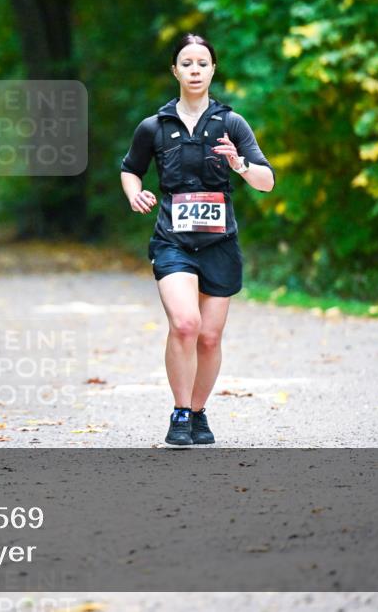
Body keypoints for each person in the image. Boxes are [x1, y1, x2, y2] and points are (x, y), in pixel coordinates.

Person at [119, 33, 276, 447]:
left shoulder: (231, 123)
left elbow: (267, 181)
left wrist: (238, 163)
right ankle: (180, 412)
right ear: (175, 70)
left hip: (219, 244)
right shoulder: (154, 126)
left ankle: (200, 412)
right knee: (185, 324)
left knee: (209, 337)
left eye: (202, 63)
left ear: (212, 70)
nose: (194, 70)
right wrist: (135, 192)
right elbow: (130, 168)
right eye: (186, 63)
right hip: (172, 241)